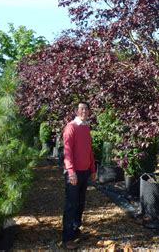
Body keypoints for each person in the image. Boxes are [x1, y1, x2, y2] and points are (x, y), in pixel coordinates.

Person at [61, 101, 96, 247]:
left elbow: (89, 151)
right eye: (81, 109)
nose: (84, 111)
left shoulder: (86, 128)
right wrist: (71, 172)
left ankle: (75, 230)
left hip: (85, 172)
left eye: (86, 109)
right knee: (71, 204)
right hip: (73, 173)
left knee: (81, 203)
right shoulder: (71, 128)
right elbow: (67, 151)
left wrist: (93, 169)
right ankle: (67, 239)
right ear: (76, 111)